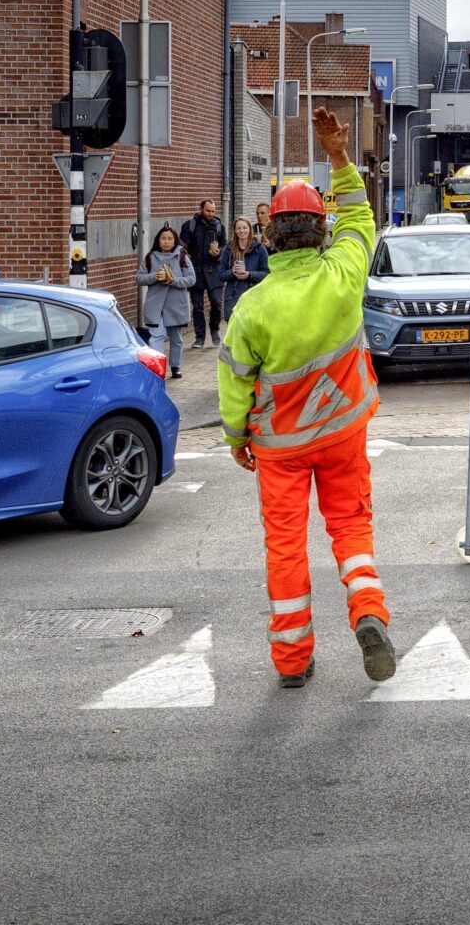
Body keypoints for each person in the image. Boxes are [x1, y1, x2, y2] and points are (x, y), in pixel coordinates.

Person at [218, 106, 396, 690]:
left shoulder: (253, 307)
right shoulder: (345, 271)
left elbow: (234, 383)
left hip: (280, 448)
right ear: (322, 232)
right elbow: (361, 213)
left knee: (286, 545)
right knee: (350, 527)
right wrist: (340, 157)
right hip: (343, 433)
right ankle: (368, 611)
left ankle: (293, 662)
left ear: (269, 235)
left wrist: (237, 437)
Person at [136, 226, 195, 374]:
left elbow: (191, 279)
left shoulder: (182, 257)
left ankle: (175, 366)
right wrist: (155, 276)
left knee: (176, 338)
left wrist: (173, 280)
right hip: (155, 306)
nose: (166, 241)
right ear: (158, 240)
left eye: (170, 238)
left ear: (175, 240)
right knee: (157, 336)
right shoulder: (150, 257)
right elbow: (140, 278)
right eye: (163, 238)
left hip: (176, 305)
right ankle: (158, 368)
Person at [178, 198, 228, 348]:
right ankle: (199, 337)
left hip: (214, 272)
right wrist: (185, 255)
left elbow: (225, 245)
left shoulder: (219, 226)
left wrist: (219, 253)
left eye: (213, 211)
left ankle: (215, 331)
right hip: (196, 271)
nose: (210, 214)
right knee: (198, 306)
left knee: (217, 303)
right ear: (201, 209)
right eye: (208, 211)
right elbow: (182, 245)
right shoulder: (190, 226)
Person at [221, 216, 269, 320]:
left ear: (249, 229)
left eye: (244, 227)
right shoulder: (229, 249)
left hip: (253, 296)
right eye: (238, 228)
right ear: (234, 230)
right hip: (233, 297)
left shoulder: (259, 249)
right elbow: (221, 275)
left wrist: (249, 275)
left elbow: (267, 273)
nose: (241, 231)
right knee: (233, 331)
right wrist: (232, 272)